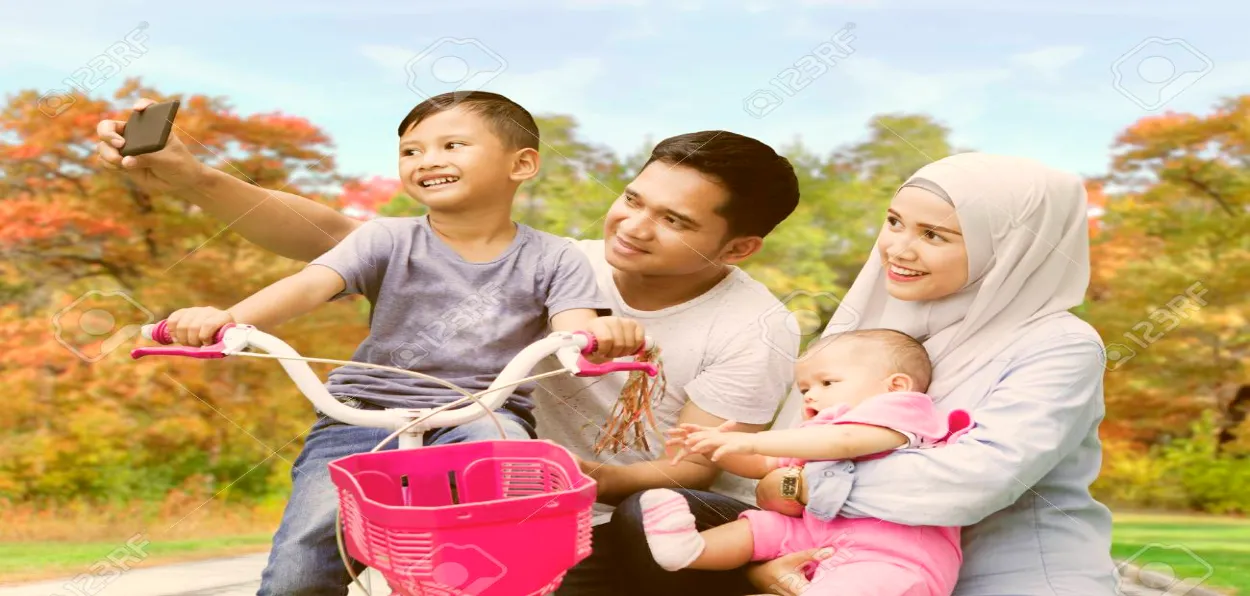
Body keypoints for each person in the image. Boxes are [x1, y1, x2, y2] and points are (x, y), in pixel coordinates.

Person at [95, 99, 804, 595]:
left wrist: (584, 470)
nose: (633, 227)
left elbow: (695, 468)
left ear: (737, 247)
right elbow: (336, 243)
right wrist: (197, 181)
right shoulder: (564, 254)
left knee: (614, 537)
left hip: (634, 515)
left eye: (673, 220)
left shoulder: (753, 326)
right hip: (473, 467)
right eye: (633, 198)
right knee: (313, 550)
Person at [607, 152, 1118, 595]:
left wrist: (801, 487)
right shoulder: (881, 324)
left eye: (934, 235)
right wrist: (760, 564)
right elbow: (794, 447)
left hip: (1003, 579)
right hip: (840, 555)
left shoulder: (1059, 346)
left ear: (1010, 249)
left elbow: (970, 483)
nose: (897, 249)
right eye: (895, 222)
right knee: (650, 516)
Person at [639, 328, 973, 596]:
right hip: (824, 540)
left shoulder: (901, 412)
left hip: (892, 558)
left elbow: (845, 442)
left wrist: (749, 440)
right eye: (804, 389)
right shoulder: (815, 433)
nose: (811, 395)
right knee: (761, 528)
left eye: (827, 383)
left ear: (895, 386)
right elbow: (765, 464)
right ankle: (690, 549)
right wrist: (714, 446)